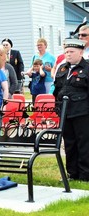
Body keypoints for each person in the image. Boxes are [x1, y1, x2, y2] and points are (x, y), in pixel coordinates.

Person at [53, 38, 89, 181]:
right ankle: (72, 174)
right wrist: (57, 108)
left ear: (81, 52)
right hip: (65, 112)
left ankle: (85, 174)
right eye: (66, 51)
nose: (68, 54)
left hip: (82, 112)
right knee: (69, 143)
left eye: (71, 51)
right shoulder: (63, 68)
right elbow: (57, 90)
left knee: (84, 144)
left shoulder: (87, 68)